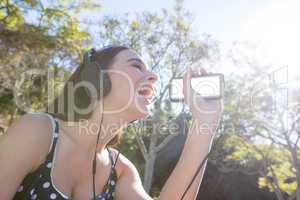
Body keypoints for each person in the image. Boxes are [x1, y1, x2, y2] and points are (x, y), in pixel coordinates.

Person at [0, 46, 222, 200]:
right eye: (136, 66)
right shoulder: (37, 132)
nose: (153, 76)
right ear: (96, 78)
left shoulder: (120, 170)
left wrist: (205, 123)